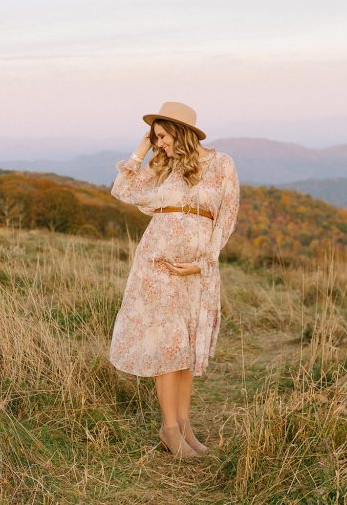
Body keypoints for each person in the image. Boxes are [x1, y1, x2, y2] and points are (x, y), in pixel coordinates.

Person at [108, 101, 241, 459]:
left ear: (181, 132)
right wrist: (141, 150)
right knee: (168, 346)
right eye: (155, 138)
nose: (160, 143)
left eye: (163, 136)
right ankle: (169, 430)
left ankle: (185, 428)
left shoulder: (221, 164)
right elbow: (121, 189)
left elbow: (227, 215)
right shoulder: (161, 167)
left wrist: (204, 262)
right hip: (158, 264)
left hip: (195, 268)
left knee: (185, 350)